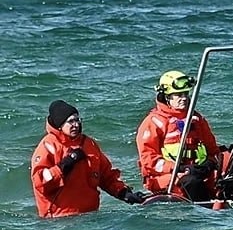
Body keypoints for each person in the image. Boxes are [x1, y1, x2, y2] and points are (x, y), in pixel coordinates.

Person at [31, 100, 147, 218]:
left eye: (77, 120)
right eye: (71, 121)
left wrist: (123, 193)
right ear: (60, 126)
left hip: (90, 218)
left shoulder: (88, 144)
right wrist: (64, 166)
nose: (76, 125)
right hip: (59, 220)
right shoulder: (48, 146)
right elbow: (39, 182)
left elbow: (106, 176)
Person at [136, 70, 220, 202]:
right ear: (167, 97)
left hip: (197, 172)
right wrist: (178, 168)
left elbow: (213, 150)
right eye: (178, 95)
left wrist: (207, 166)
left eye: (186, 94)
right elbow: (149, 161)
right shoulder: (153, 123)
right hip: (166, 176)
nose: (184, 98)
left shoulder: (197, 120)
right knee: (191, 182)